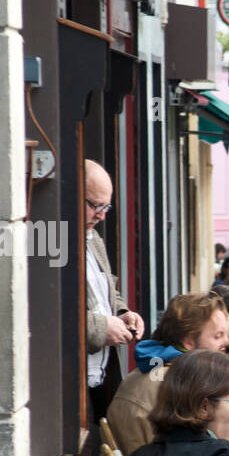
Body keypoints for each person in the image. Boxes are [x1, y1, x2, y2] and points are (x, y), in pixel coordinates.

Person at [105, 292, 229, 456]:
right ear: (189, 341)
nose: (227, 342)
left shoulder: (162, 372)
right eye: (218, 336)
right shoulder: (177, 386)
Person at [84, 160, 144, 423]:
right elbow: (45, 310)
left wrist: (123, 312)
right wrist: (100, 327)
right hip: (67, 382)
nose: (101, 215)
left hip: (100, 374)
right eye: (94, 205)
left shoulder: (93, 238)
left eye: (105, 206)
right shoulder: (50, 238)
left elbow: (105, 290)